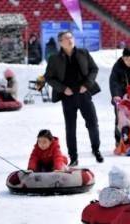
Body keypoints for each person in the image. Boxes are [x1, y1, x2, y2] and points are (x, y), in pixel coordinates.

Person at [44, 30, 103, 166]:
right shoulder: (54, 58)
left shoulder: (83, 53)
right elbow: (49, 77)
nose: (70, 40)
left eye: (71, 37)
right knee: (70, 128)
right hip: (68, 97)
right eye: (66, 38)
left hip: (84, 94)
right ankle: (73, 157)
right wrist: (63, 89)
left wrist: (87, 85)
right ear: (60, 42)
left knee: (93, 123)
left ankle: (96, 149)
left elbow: (94, 69)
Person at [109, 47, 130, 145]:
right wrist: (116, 95)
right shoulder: (117, 67)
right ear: (123, 58)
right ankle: (118, 140)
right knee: (120, 119)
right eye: (127, 59)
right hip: (120, 97)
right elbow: (113, 82)